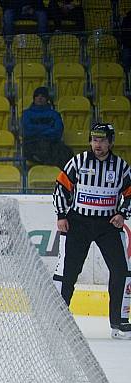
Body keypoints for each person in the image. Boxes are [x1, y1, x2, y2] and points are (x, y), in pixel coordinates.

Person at [53, 123, 131, 340]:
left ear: (111, 142)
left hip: (108, 226)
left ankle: (118, 323)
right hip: (79, 224)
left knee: (119, 270)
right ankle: (60, 321)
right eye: (95, 140)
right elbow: (61, 187)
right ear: (90, 141)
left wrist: (123, 213)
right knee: (69, 272)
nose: (98, 144)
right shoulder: (78, 162)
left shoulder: (121, 167)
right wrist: (61, 215)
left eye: (103, 140)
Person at [21, 86, 73, 169]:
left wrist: (37, 130)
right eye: (37, 95)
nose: (40, 98)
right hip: (33, 144)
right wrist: (47, 128)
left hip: (51, 143)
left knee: (66, 152)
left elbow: (58, 131)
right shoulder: (26, 114)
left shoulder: (54, 114)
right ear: (34, 98)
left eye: (43, 96)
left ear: (47, 99)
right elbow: (27, 131)